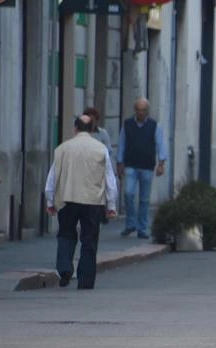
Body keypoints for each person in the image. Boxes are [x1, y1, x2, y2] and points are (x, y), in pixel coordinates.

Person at [45, 114, 118, 289]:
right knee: (89, 240)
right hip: (93, 200)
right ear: (92, 129)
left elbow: (52, 177)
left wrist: (50, 201)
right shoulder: (100, 149)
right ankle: (85, 280)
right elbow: (110, 180)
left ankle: (64, 268)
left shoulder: (63, 149)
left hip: (67, 198)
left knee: (65, 234)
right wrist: (111, 205)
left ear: (75, 128)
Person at [116, 97, 167, 240]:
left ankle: (142, 228)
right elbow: (122, 144)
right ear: (135, 110)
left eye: (143, 110)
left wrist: (161, 164)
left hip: (147, 166)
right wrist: (119, 163)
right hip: (130, 164)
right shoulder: (127, 125)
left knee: (144, 199)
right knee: (128, 193)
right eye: (138, 110)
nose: (140, 113)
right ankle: (131, 223)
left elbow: (160, 145)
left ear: (147, 111)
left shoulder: (154, 126)